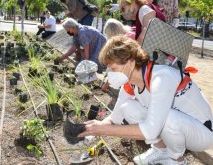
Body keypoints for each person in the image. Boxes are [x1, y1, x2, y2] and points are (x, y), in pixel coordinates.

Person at [78, 36, 213, 165]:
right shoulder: (130, 83)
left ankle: (175, 160)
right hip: (178, 128)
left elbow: (149, 130)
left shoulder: (162, 77)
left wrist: (103, 130)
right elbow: (115, 118)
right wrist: (89, 131)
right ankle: (161, 150)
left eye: (113, 68)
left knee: (169, 118)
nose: (110, 74)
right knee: (127, 107)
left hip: (202, 133)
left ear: (131, 62)